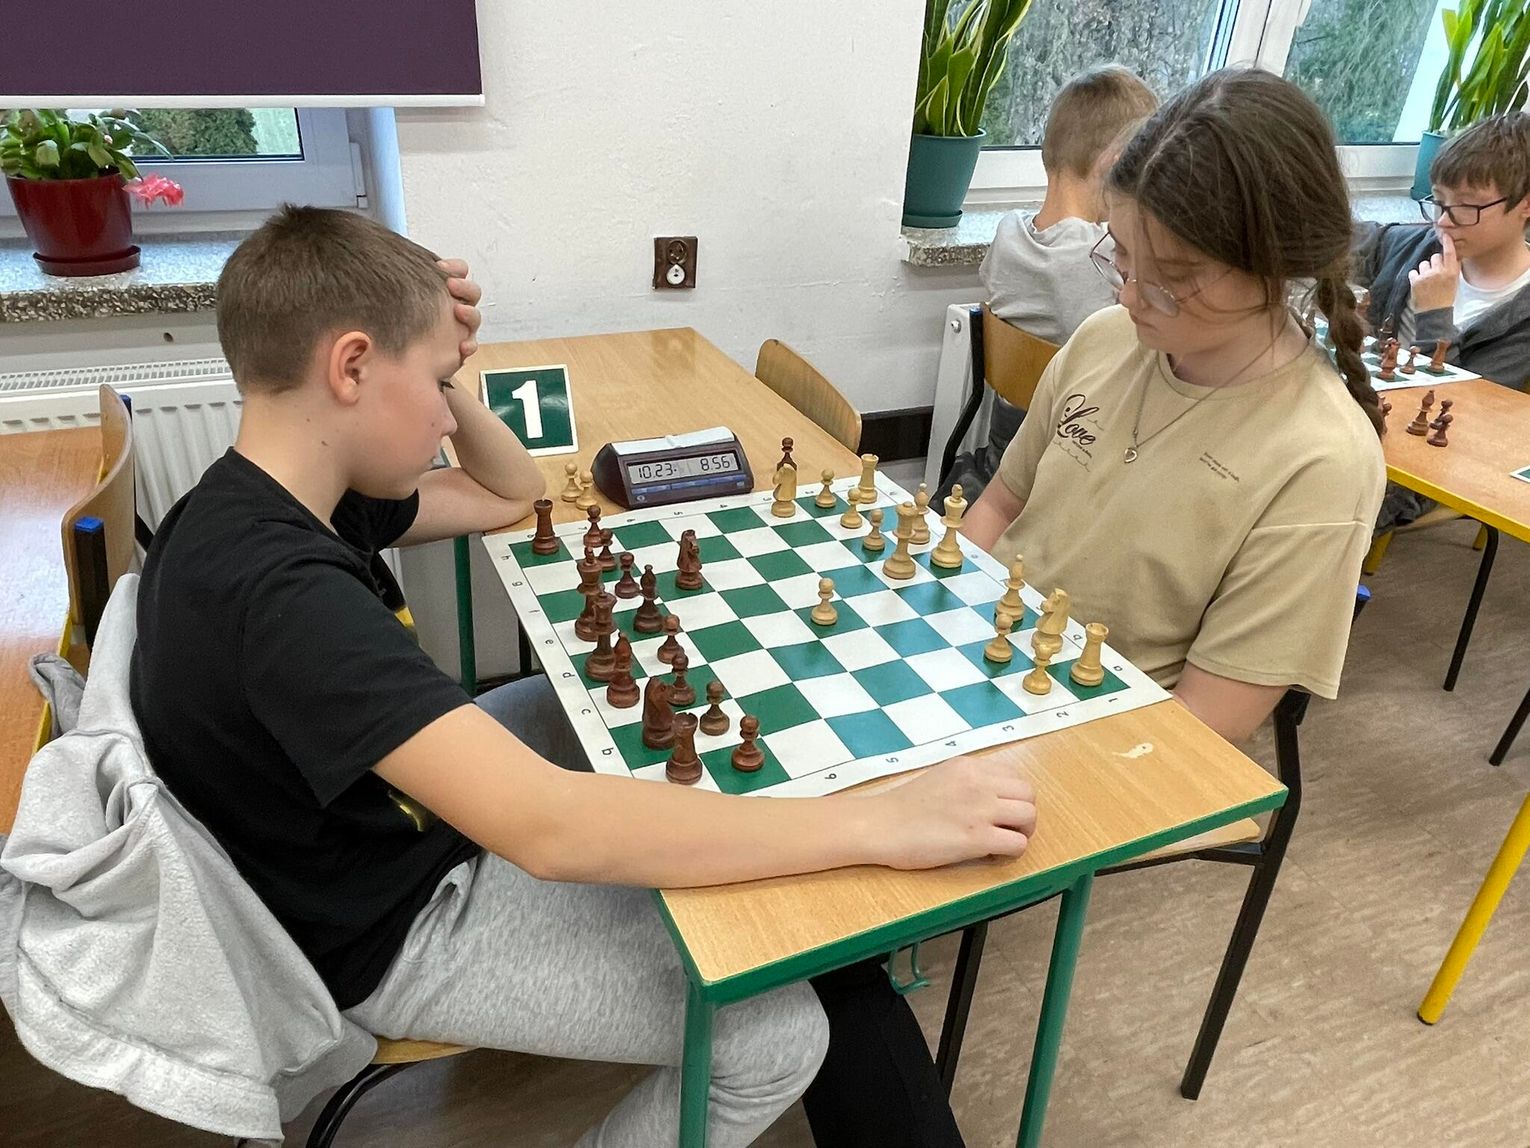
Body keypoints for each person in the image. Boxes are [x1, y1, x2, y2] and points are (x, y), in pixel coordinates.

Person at [128, 206, 1039, 1147]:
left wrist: (441, 357)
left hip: (361, 825)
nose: (444, 415)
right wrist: (880, 823)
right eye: (438, 384)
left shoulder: (270, 500)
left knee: (593, 710)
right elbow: (551, 832)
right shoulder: (283, 597)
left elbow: (510, 491)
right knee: (780, 1040)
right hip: (385, 922)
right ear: (351, 367)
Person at [806, 67, 1386, 1147]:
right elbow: (1002, 500)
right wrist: (907, 606)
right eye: (1122, 257)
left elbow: (1205, 725)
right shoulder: (1108, 339)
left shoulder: (1319, 456)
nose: (1136, 296)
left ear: (1280, 264)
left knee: (828, 870)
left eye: (1178, 278)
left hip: (1108, 733)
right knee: (793, 752)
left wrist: (966, 753)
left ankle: (835, 1020)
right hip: (975, 659)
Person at [942, 65, 1158, 505]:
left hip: (997, 452)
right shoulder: (1099, 255)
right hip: (1065, 467)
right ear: (1118, 163)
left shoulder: (1009, 234)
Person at [1352, 111, 1530, 529]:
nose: (1443, 222)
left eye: (1466, 207)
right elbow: (1327, 234)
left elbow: (1464, 413)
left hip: (1421, 464)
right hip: (1351, 423)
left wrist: (1435, 314)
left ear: (1526, 205)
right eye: (1438, 200)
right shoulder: (1414, 245)